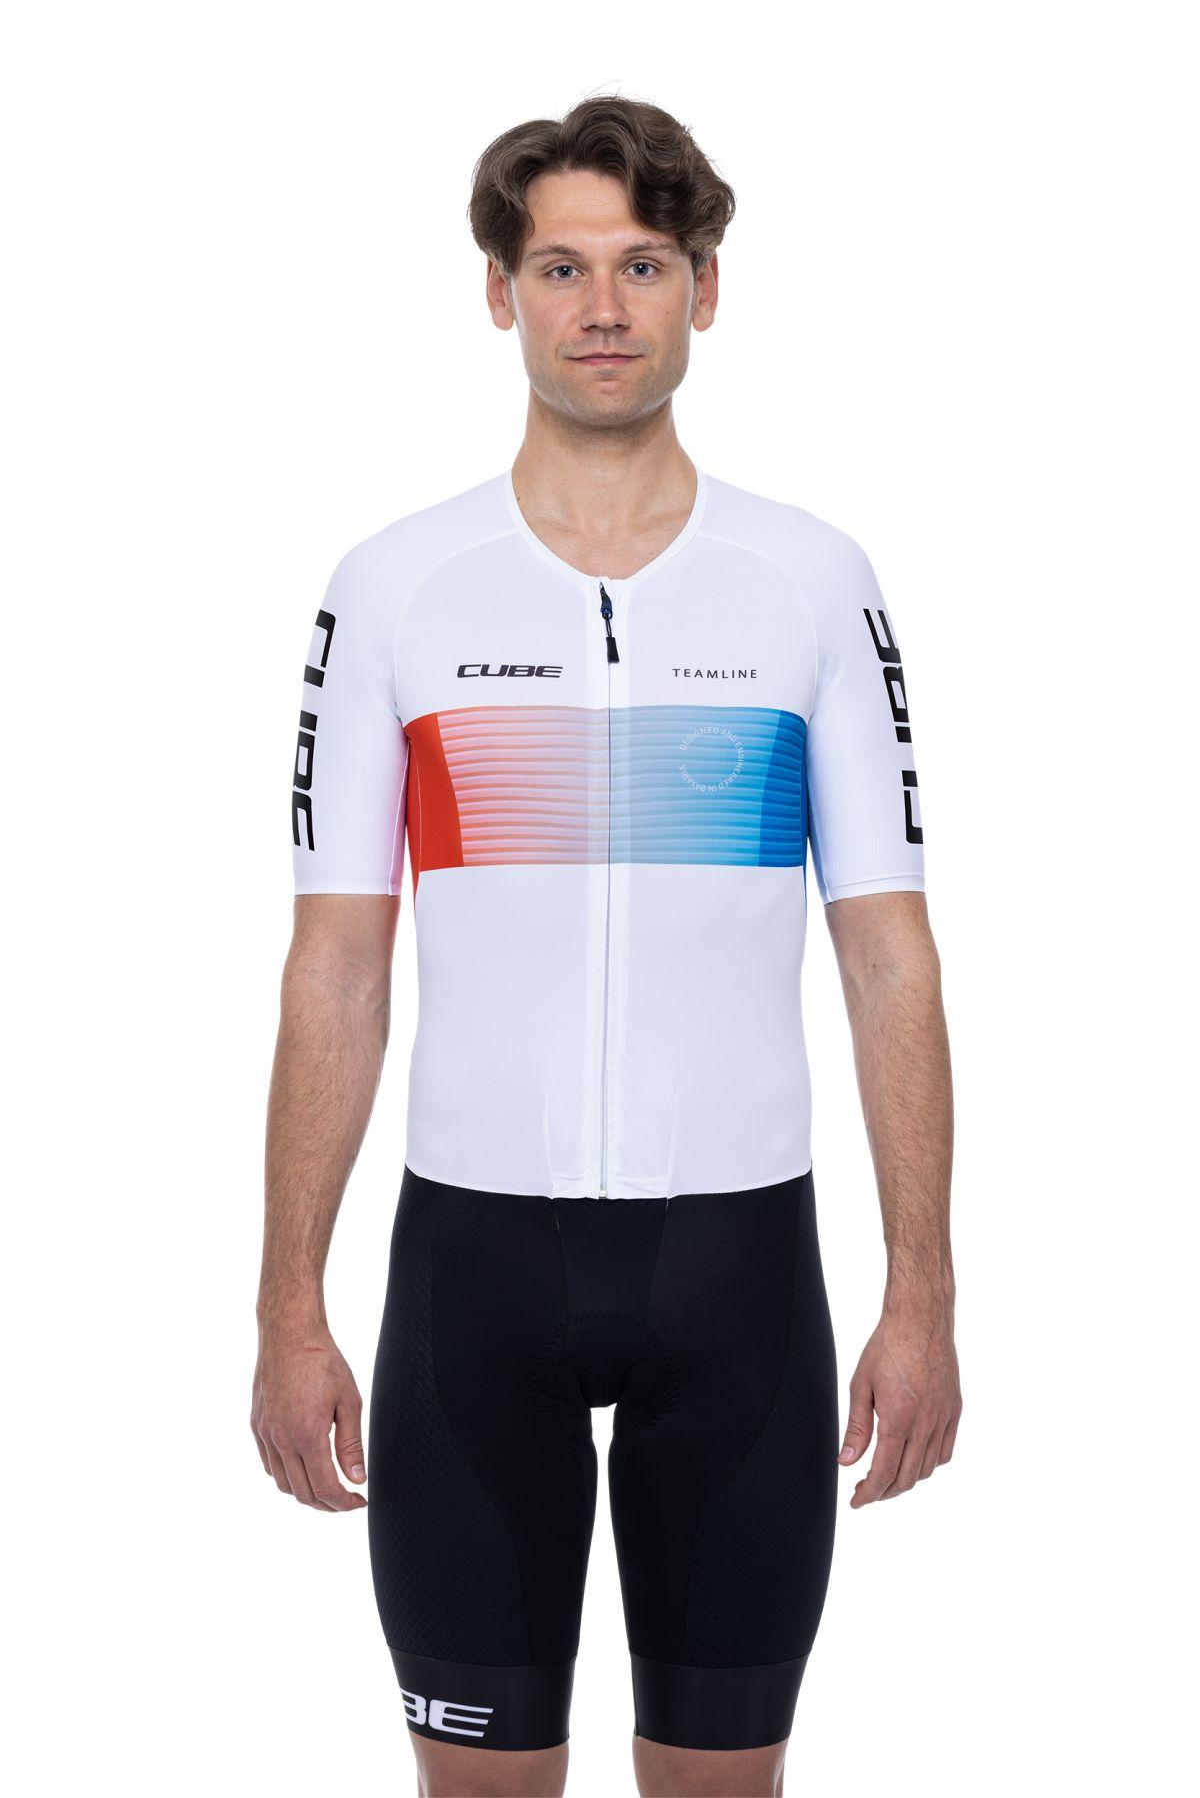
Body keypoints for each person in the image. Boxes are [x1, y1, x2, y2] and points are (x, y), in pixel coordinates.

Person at [251, 94, 961, 1798]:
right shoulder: (398, 586)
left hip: (742, 1275)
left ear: (705, 289)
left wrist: (924, 1292)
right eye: (561, 267)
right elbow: (336, 965)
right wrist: (287, 1304)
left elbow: (890, 956)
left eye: (643, 264)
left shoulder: (810, 581)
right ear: (500, 292)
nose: (603, 307)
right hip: (470, 1274)